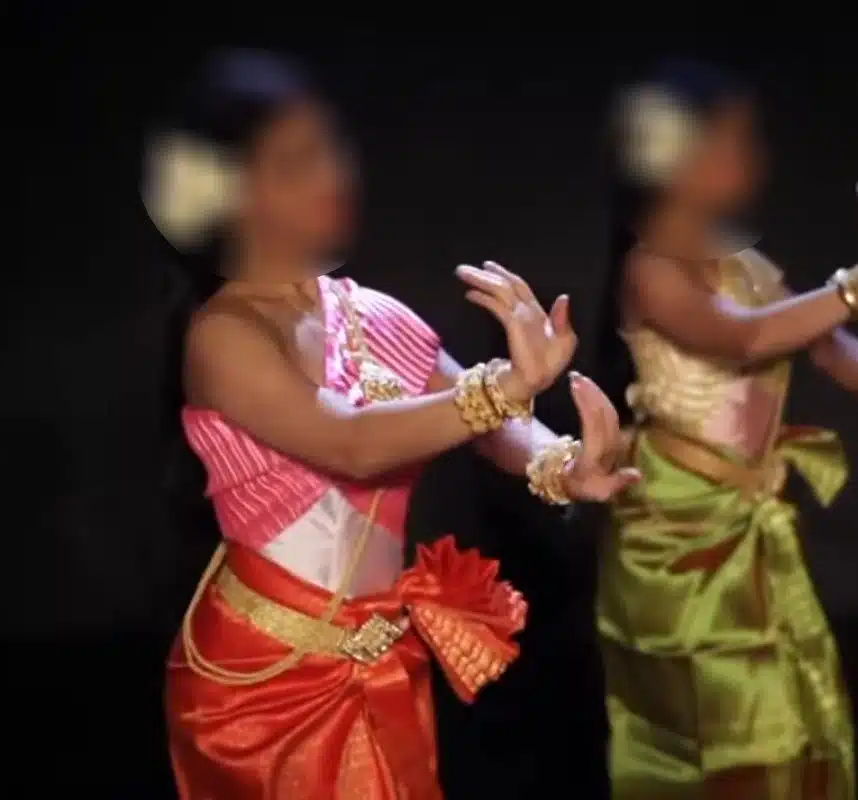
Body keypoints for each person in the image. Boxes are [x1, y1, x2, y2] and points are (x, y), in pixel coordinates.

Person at [146, 50, 639, 800]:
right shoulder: (225, 336)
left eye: (330, 149)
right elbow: (352, 443)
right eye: (297, 162)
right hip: (263, 684)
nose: (334, 175)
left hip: (375, 655)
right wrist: (509, 384)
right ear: (231, 193)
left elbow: (486, 420)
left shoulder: (370, 315)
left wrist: (563, 463)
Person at [593, 60, 858, 799]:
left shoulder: (743, 264)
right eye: (728, 142)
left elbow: (819, 340)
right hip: (674, 531)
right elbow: (744, 338)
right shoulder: (650, 271)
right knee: (714, 722)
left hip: (745, 516)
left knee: (787, 708)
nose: (750, 157)